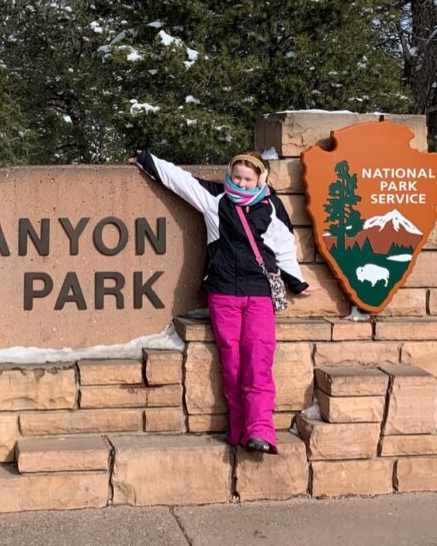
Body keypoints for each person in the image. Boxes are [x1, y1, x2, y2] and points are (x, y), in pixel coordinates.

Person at [130, 149, 313, 454]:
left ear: (260, 179)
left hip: (258, 294)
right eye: (237, 177)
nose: (241, 183)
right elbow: (180, 181)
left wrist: (297, 282)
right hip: (224, 293)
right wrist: (147, 161)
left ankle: (261, 430)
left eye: (248, 178)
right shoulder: (215, 198)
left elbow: (284, 247)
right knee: (232, 364)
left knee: (258, 360)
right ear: (230, 175)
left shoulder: (271, 205)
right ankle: (240, 430)